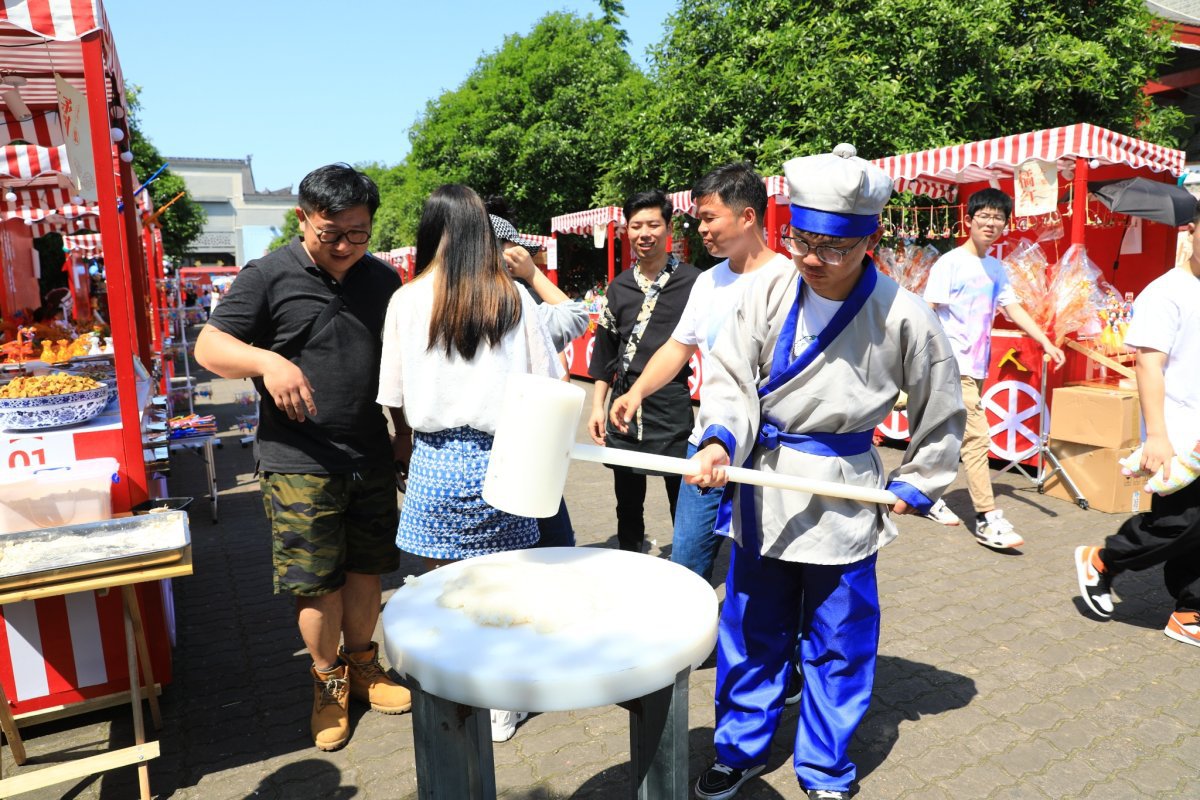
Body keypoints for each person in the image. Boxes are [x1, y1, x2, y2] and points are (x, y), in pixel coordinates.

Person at [686, 145, 964, 800]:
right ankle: (738, 747)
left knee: (839, 642)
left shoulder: (902, 313)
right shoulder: (767, 289)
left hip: (843, 492)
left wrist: (919, 479)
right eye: (803, 241)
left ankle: (825, 766)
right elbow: (729, 378)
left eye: (833, 249)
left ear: (868, 240)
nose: (814, 260)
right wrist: (722, 440)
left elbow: (942, 403)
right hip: (765, 483)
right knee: (753, 628)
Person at [194, 163, 410, 752]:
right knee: (317, 582)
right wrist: (268, 362)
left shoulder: (384, 280)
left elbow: (398, 367)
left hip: (367, 453)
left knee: (369, 570)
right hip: (298, 459)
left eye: (358, 233)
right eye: (330, 233)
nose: (344, 246)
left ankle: (363, 663)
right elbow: (209, 345)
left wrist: (403, 432)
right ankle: (327, 681)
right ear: (302, 220)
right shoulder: (267, 274)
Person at [375, 184, 562, 743]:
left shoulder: (406, 300)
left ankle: (457, 691)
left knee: (446, 589)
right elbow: (547, 383)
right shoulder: (511, 297)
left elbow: (393, 394)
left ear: (433, 230)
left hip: (435, 462)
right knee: (505, 588)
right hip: (504, 458)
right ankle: (503, 703)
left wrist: (403, 442)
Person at [609, 162, 788, 580]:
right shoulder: (708, 282)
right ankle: (691, 641)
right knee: (688, 558)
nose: (702, 229)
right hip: (707, 442)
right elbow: (678, 345)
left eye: (709, 218)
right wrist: (636, 393)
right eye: (699, 219)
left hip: (772, 452)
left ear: (747, 216)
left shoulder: (789, 280)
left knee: (768, 565)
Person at [1074, 209, 1200, 648]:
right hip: (1181, 431)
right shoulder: (1166, 293)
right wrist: (1158, 435)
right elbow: (1148, 363)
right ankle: (1105, 559)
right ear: (1192, 232)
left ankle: (1190, 610)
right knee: (1180, 522)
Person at [922, 188, 1065, 549]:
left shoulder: (995, 267)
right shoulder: (950, 263)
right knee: (976, 438)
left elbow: (1012, 308)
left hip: (978, 367)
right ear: (968, 220)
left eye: (997, 217)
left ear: (1005, 223)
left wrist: (1045, 341)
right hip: (952, 364)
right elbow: (927, 311)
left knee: (947, 436)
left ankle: (923, 494)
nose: (990, 223)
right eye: (983, 216)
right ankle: (986, 517)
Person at [588, 190, 700, 552]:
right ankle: (630, 560)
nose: (644, 233)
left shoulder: (695, 283)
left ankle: (687, 564)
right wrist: (596, 406)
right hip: (623, 405)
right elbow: (605, 351)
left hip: (671, 403)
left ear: (669, 229)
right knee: (627, 500)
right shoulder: (618, 287)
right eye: (636, 225)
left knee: (680, 496)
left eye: (653, 224)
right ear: (627, 230)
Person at [488, 210, 589, 547]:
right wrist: (532, 275)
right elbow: (577, 317)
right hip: (525, 445)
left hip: (472, 454)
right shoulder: (518, 301)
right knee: (553, 545)